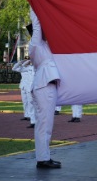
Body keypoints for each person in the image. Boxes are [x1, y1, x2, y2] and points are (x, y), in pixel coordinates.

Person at [28, 9, 62, 169]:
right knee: (44, 123)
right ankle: (42, 159)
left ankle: (44, 156)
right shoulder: (36, 45)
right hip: (43, 85)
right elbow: (37, 26)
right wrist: (34, 7)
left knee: (46, 123)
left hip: (47, 85)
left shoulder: (47, 46)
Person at [12, 57, 36, 128]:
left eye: (28, 59)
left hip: (30, 88)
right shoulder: (23, 68)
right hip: (23, 87)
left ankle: (33, 121)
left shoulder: (33, 68)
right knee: (25, 102)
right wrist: (21, 62)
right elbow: (14, 68)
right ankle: (27, 115)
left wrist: (29, 61)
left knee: (31, 104)